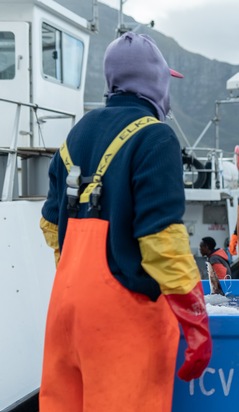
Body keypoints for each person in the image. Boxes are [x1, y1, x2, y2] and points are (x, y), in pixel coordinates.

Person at [38, 32, 211, 410]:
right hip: (122, 321)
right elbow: (160, 238)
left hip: (65, 310)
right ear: (156, 82)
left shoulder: (75, 135)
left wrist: (80, 286)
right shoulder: (155, 137)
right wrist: (195, 318)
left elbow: (52, 227)